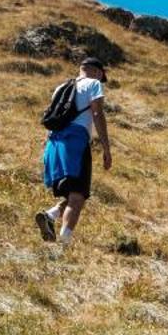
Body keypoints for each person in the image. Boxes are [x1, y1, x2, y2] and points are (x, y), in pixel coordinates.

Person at [35, 56, 111, 246]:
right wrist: (106, 148)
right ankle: (64, 244)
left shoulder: (60, 88)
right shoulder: (93, 84)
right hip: (75, 143)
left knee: (74, 194)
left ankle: (50, 216)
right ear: (98, 72)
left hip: (54, 144)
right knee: (77, 196)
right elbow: (97, 113)